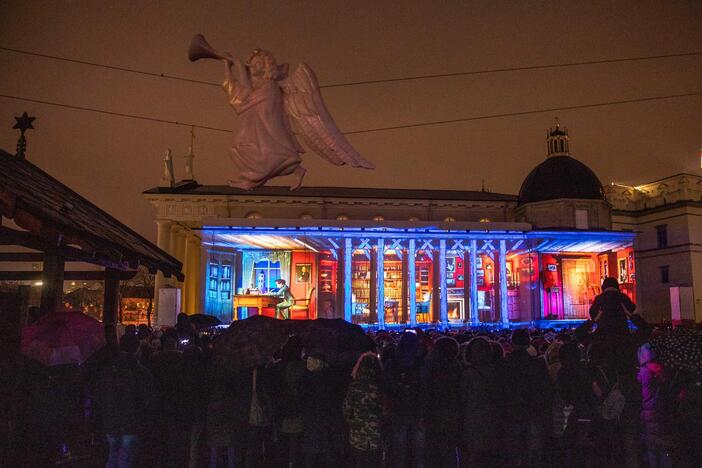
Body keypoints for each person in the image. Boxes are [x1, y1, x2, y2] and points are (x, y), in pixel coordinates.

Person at [92, 335, 156, 468]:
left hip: (110, 420)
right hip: (131, 423)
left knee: (112, 455)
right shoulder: (141, 373)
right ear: (137, 349)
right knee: (126, 458)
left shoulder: (107, 369)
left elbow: (97, 393)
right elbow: (149, 399)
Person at [343, 352, 384, 467]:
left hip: (357, 432)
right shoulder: (380, 386)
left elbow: (346, 409)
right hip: (376, 432)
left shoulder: (354, 386)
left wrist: (352, 422)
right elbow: (386, 409)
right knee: (374, 462)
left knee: (359, 462)